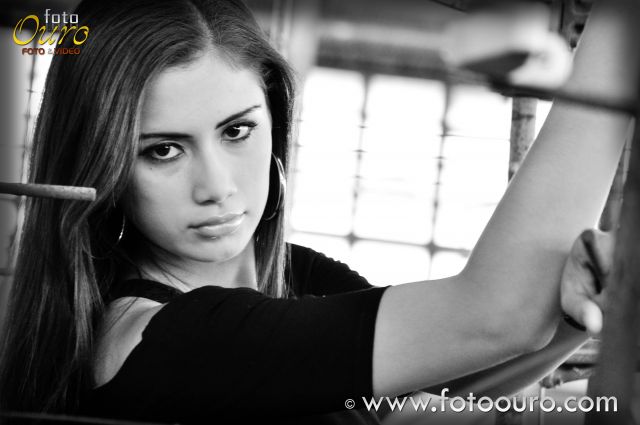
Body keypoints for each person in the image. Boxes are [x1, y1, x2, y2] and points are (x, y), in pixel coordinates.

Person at [0, 0, 637, 423]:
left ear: (274, 121)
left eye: (237, 131)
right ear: (104, 166)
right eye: (162, 150)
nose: (216, 187)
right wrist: (620, 27)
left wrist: (572, 315)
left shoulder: (299, 276)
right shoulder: (159, 339)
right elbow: (492, 318)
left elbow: (434, 403)